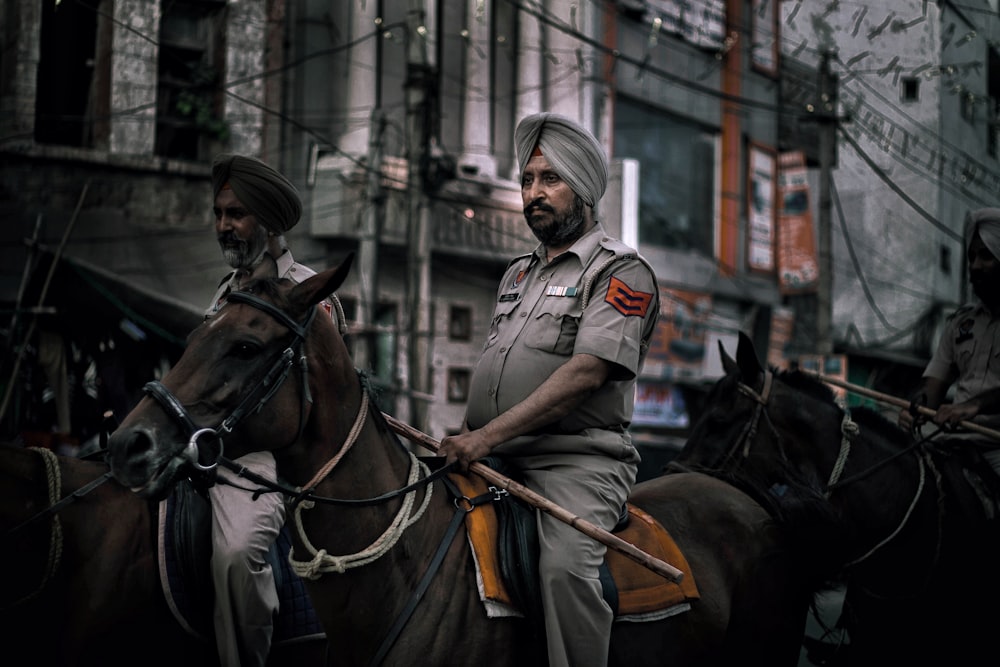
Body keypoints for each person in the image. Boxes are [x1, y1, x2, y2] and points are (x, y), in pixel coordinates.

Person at [438, 113, 660, 667]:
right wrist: (465, 436)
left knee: (565, 570)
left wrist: (483, 437)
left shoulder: (620, 272)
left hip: (577, 463)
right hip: (492, 455)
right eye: (527, 180)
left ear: (583, 188)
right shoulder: (516, 274)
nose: (534, 193)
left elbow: (585, 374)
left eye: (550, 180)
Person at [205, 153, 342, 667]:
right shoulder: (223, 295)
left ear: (268, 222)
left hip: (271, 461)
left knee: (237, 554)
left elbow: (327, 400)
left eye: (236, 214)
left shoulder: (308, 294)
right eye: (219, 214)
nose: (224, 226)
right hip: (208, 450)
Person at [898, 207, 1000, 477]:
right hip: (955, 445)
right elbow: (932, 388)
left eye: (986, 256)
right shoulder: (960, 324)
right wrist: (916, 408)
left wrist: (973, 406)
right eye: (971, 257)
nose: (975, 265)